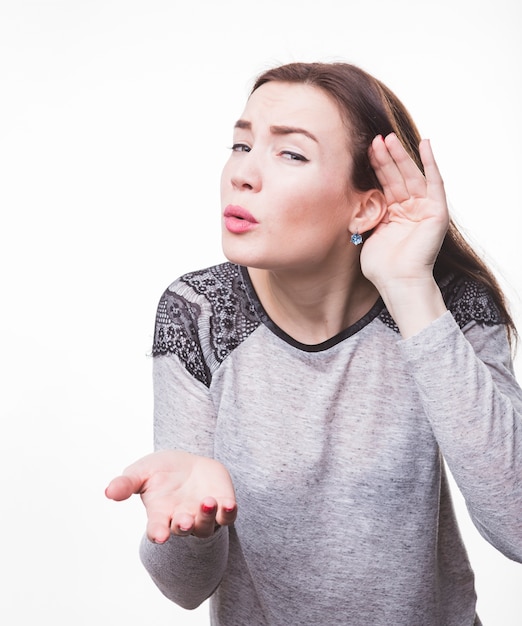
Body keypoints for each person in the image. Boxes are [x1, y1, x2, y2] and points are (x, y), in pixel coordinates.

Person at [105, 62, 522, 625]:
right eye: (241, 143)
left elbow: (517, 524)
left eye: (291, 153)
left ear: (365, 206)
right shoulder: (200, 311)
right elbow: (184, 587)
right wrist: (189, 525)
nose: (243, 174)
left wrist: (410, 290)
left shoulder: (449, 305)